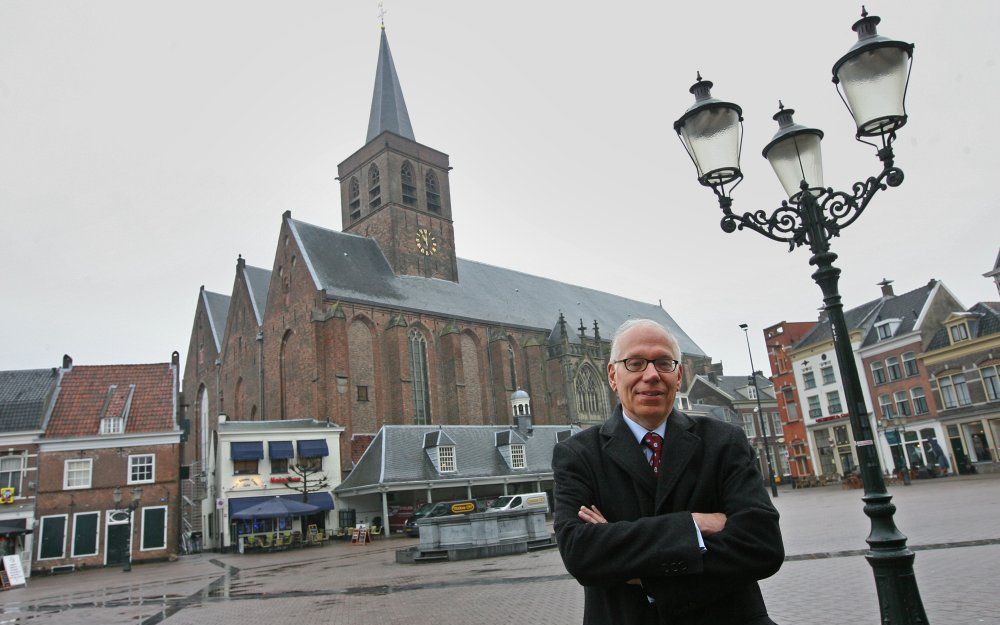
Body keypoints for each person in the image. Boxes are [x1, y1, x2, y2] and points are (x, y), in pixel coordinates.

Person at [553, 319, 784, 625]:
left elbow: (762, 545)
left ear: (678, 375)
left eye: (663, 363)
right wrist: (693, 525)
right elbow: (581, 553)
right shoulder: (577, 454)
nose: (651, 375)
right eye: (635, 363)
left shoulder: (724, 441)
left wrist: (639, 570)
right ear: (612, 375)